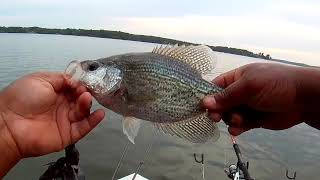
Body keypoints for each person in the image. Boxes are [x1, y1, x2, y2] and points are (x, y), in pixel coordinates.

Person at [0, 63, 319, 177]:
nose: (87, 71)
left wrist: (301, 96)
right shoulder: (115, 93)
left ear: (117, 74)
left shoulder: (122, 88)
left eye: (94, 68)